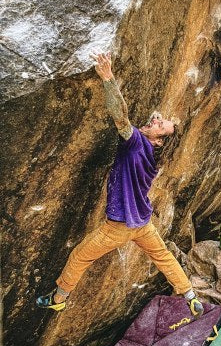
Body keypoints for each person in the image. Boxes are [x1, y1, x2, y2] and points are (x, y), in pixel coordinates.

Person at [36, 52, 203, 318]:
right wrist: (160, 122)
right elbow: (151, 120)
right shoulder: (152, 155)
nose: (157, 121)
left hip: (119, 227)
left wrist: (108, 78)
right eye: (160, 120)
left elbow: (120, 116)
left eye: (162, 126)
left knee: (80, 257)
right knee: (163, 257)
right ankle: (191, 296)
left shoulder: (138, 142)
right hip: (142, 223)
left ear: (159, 141)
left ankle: (58, 298)